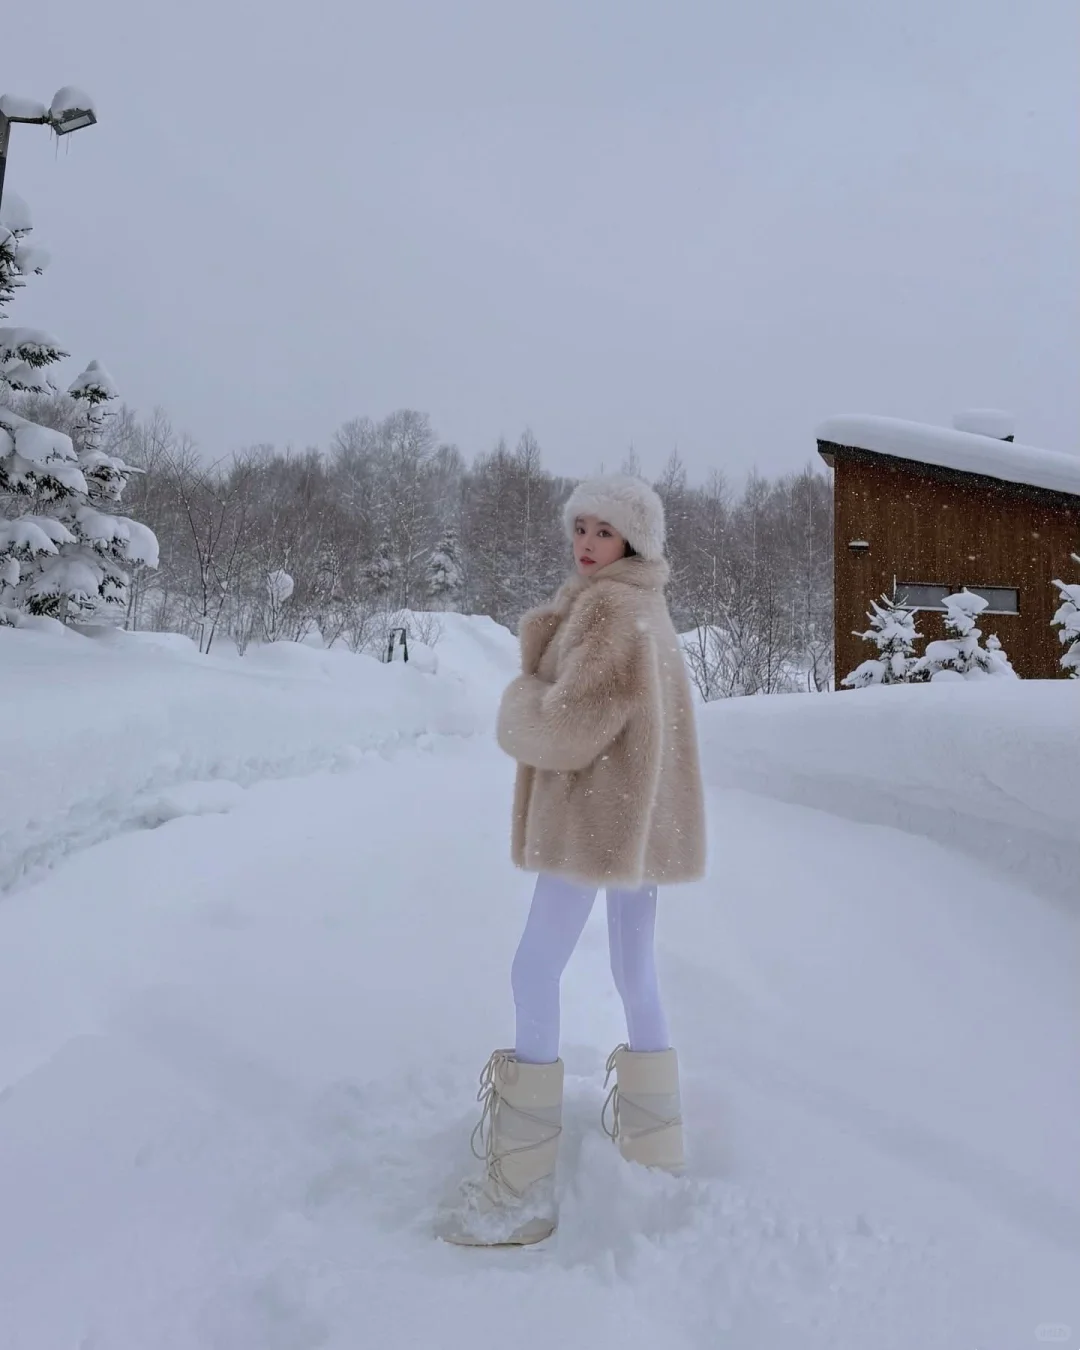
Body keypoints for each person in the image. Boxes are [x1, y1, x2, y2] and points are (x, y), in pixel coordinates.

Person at [437, 474, 707, 1247]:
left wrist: (520, 701)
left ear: (635, 543)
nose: (587, 543)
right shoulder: (645, 603)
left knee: (533, 970)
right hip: (639, 823)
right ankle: (655, 1151)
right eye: (581, 527)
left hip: (597, 822)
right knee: (635, 973)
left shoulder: (611, 610)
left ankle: (518, 1188)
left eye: (604, 531)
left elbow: (568, 728)